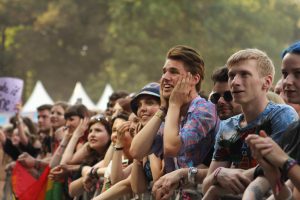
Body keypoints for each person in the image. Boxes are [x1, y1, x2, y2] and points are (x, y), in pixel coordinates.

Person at [202, 48, 298, 198]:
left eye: (244, 74)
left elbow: (275, 173)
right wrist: (218, 175)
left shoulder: (281, 115)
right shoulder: (227, 126)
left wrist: (225, 179)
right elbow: (207, 185)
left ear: (266, 82)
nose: (234, 82)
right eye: (231, 75)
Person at [131, 45, 220, 199]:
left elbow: (171, 147)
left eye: (173, 72)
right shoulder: (171, 114)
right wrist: (162, 109)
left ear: (194, 79)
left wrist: (173, 105)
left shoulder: (204, 110)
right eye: (164, 71)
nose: (164, 77)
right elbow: (137, 151)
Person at [244, 41, 300, 200]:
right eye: (285, 73)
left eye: (298, 73)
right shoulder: (294, 130)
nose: (287, 82)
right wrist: (271, 171)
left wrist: (284, 160)